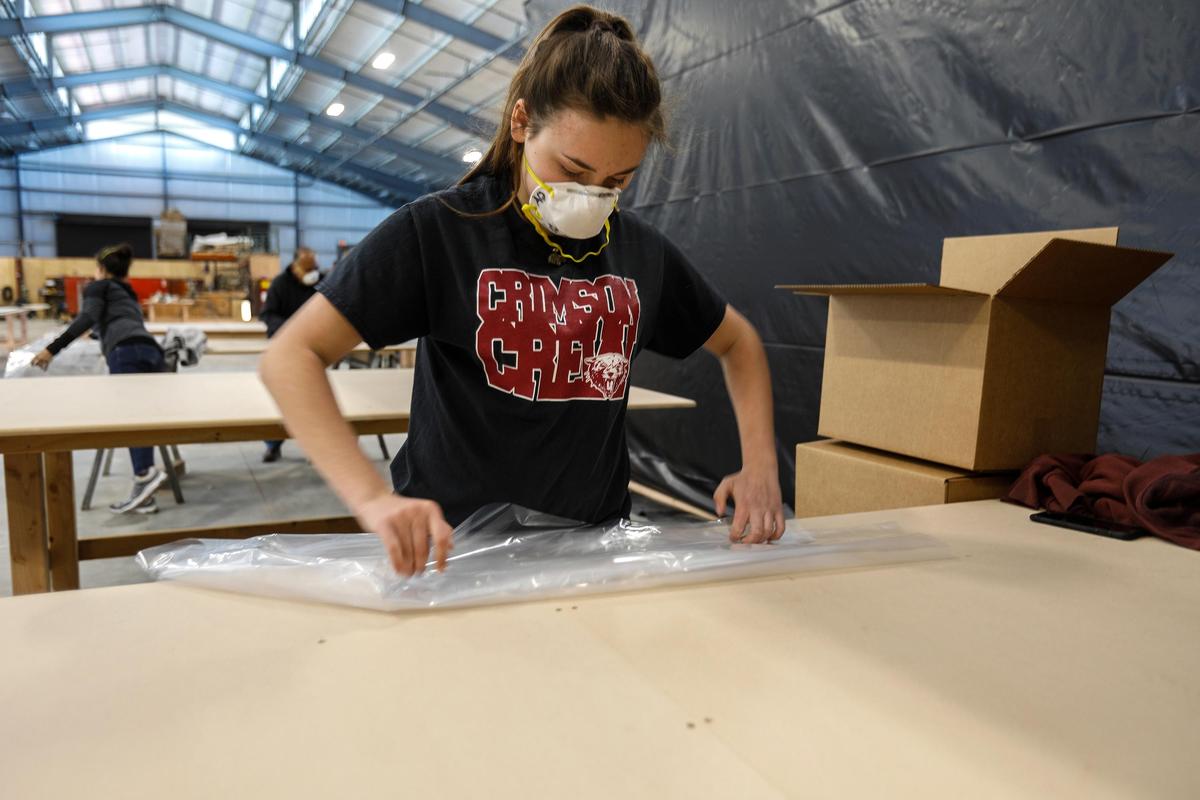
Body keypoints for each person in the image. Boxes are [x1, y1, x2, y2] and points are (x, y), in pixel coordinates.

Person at [261, 5, 784, 578]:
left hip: (594, 552)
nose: (591, 196)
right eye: (572, 169)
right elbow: (291, 356)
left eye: (617, 181)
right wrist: (371, 497)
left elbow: (740, 344)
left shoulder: (640, 254)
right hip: (453, 554)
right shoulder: (441, 233)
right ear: (520, 122)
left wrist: (760, 463)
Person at [32, 243, 168, 514]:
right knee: (142, 415)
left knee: (131, 417)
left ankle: (144, 474)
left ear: (102, 269)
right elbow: (110, 323)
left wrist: (52, 349)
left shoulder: (98, 287)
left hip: (126, 352)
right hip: (151, 351)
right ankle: (146, 491)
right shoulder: (127, 293)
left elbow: (88, 317)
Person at [258, 246, 321, 462]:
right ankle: (273, 444)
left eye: (314, 266)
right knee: (280, 399)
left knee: (316, 400)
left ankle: (317, 449)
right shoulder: (279, 285)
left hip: (315, 350)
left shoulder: (321, 284)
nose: (312, 271)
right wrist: (292, 330)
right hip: (283, 348)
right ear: (295, 267)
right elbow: (267, 314)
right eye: (307, 267)